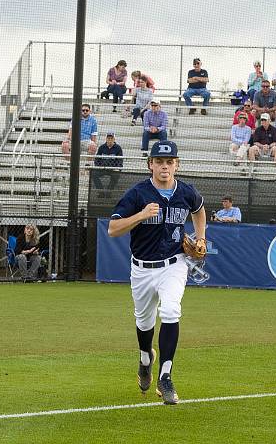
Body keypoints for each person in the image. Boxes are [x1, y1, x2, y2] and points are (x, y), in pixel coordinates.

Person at [108, 140, 207, 405]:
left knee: (171, 310)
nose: (165, 166)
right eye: (159, 162)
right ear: (150, 164)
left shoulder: (186, 192)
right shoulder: (138, 194)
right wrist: (139, 215)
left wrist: (201, 238)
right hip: (142, 269)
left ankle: (166, 376)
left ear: (177, 165)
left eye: (170, 162)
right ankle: (144, 359)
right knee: (144, 322)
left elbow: (199, 209)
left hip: (174, 264)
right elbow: (113, 229)